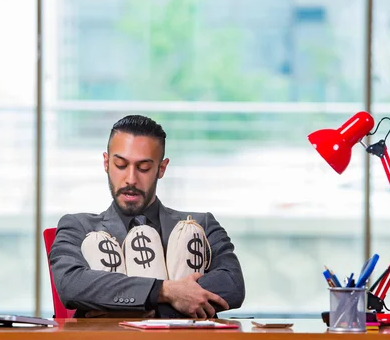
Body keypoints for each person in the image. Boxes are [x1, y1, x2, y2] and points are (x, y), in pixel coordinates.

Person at [49, 115, 245, 318]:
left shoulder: (201, 225)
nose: (131, 179)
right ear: (106, 163)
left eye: (144, 168)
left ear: (161, 168)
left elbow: (232, 285)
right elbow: (71, 285)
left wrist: (121, 308)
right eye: (121, 165)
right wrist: (166, 291)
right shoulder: (79, 227)